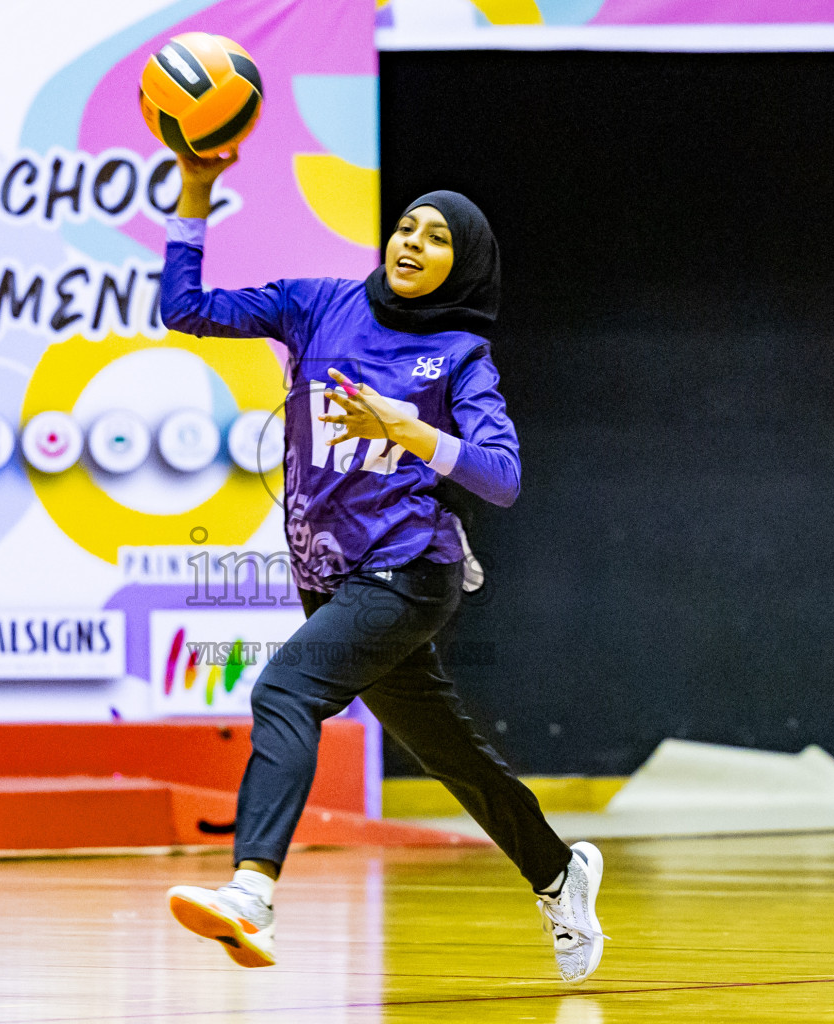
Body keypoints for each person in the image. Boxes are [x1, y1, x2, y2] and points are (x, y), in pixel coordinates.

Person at [158, 150, 604, 983]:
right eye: (406, 227)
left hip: (410, 571)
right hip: (329, 574)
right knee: (448, 753)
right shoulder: (316, 305)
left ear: (459, 266)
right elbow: (184, 308)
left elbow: (502, 480)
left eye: (436, 240)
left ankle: (252, 890)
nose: (412, 243)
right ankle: (558, 872)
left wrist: (412, 431)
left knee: (284, 689)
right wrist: (193, 187)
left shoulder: (461, 356)